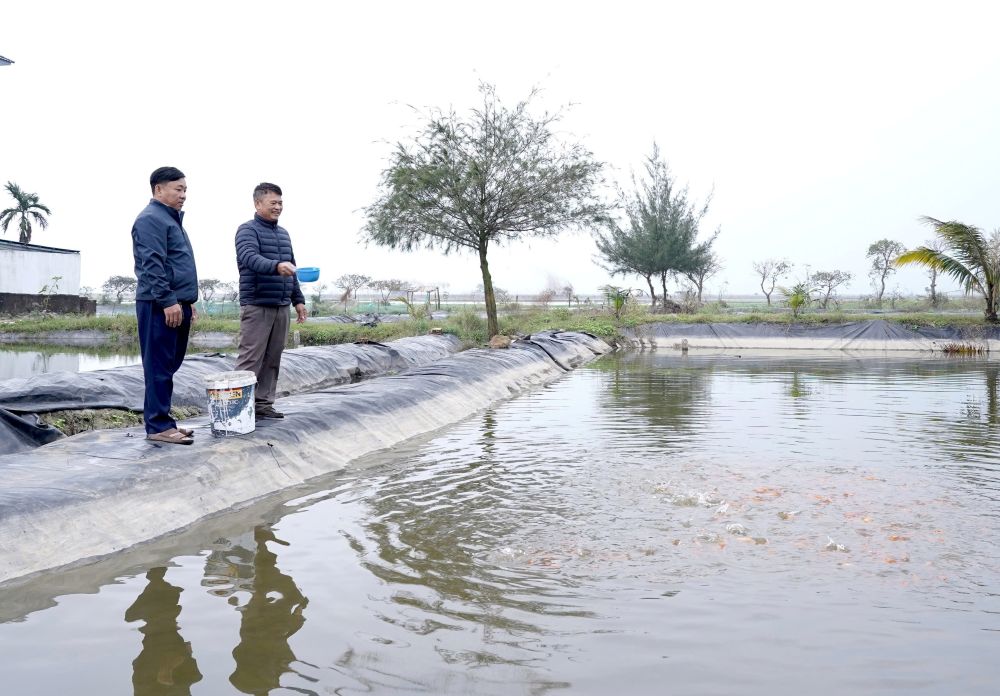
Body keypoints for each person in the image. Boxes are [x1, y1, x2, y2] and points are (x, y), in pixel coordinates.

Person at [132, 166, 199, 445]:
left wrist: (186, 301)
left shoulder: (171, 220)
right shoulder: (151, 219)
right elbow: (152, 266)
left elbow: (176, 265)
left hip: (176, 302)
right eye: (178, 189)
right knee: (158, 365)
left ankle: (164, 421)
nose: (184, 194)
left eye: (185, 189)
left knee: (169, 365)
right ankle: (158, 426)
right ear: (159, 189)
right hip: (158, 304)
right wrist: (169, 301)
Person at [235, 182, 307, 420]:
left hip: (281, 304)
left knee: (273, 357)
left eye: (280, 203)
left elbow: (292, 268)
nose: (278, 207)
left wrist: (298, 299)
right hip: (257, 304)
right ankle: (238, 410)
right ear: (258, 204)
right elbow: (249, 258)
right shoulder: (247, 230)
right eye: (272, 203)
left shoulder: (284, 234)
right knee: (251, 359)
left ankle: (263, 405)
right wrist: (276, 266)